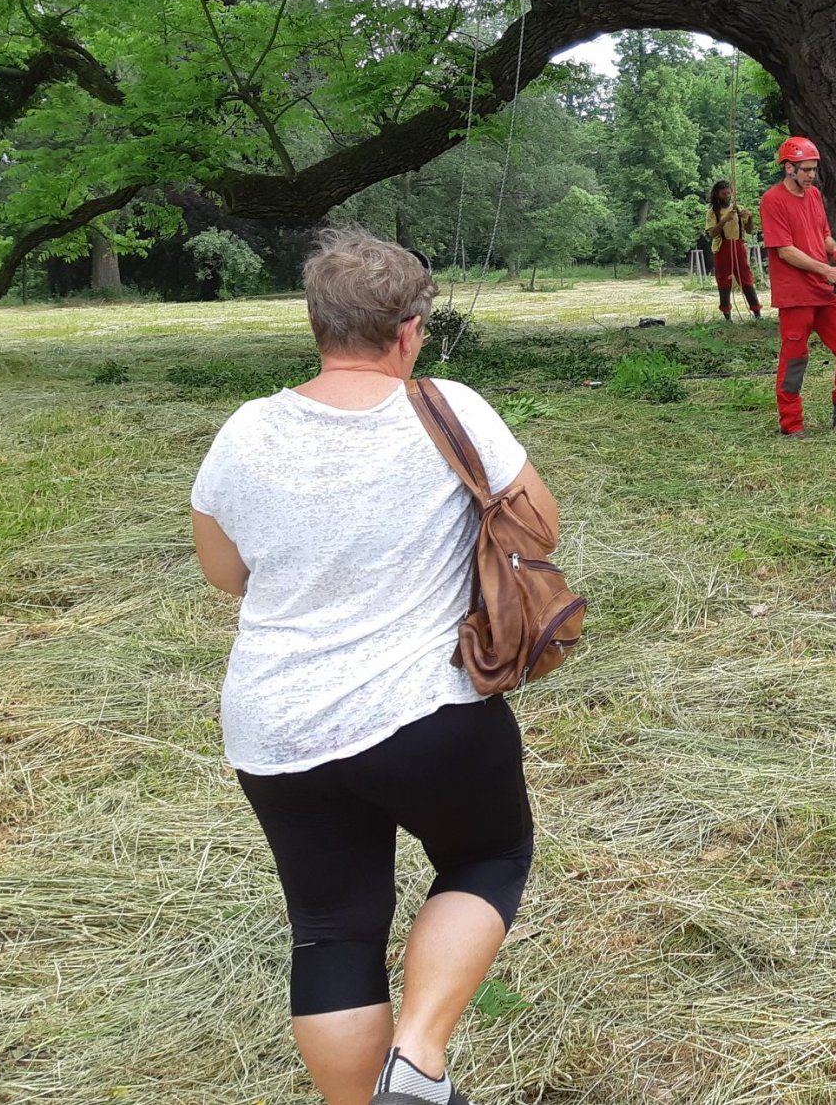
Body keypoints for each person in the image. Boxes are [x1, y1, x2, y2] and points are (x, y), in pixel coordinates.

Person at [190, 228, 555, 1105]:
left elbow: (225, 573)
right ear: (409, 330)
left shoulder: (245, 430)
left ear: (317, 323)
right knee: (488, 857)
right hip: (429, 714)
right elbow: (540, 527)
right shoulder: (449, 409)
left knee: (330, 929)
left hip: (276, 728)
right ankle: (418, 1059)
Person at [758, 136, 836, 436]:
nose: (811, 175)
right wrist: (826, 270)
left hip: (825, 292)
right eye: (806, 169)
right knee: (795, 358)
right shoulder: (772, 200)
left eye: (814, 169)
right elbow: (785, 251)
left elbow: (823, 235)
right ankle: (791, 424)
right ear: (788, 168)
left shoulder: (814, 195)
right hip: (796, 295)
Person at [704, 179, 762, 319]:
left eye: (728, 193)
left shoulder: (739, 209)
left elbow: (749, 230)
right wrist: (724, 220)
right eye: (723, 194)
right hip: (722, 247)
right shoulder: (713, 212)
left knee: (746, 278)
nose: (727, 196)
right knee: (724, 280)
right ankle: (727, 314)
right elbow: (712, 234)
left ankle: (757, 312)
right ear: (717, 195)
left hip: (738, 246)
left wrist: (750, 218)